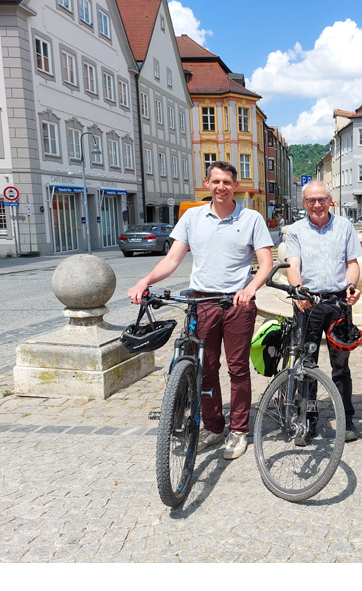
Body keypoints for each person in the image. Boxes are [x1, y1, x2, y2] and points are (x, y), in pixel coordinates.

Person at [127, 161, 274, 460]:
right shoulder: (192, 217)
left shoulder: (251, 218)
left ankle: (238, 430)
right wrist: (145, 280)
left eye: (227, 182)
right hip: (201, 301)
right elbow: (172, 260)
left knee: (237, 369)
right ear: (207, 183)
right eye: (216, 181)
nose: (221, 187)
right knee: (206, 369)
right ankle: (214, 426)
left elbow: (266, 263)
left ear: (236, 186)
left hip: (237, 302)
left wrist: (250, 289)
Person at [285, 180, 362, 442]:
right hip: (308, 304)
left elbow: (352, 263)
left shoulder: (344, 226)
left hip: (338, 303)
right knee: (306, 366)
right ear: (304, 203)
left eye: (321, 199)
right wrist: (297, 288)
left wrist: (352, 285)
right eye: (311, 200)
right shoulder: (295, 230)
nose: (317, 205)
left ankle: (346, 418)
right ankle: (307, 421)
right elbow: (293, 265)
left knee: (341, 367)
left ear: (330, 200)